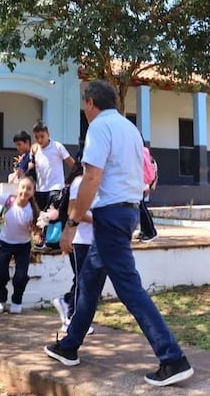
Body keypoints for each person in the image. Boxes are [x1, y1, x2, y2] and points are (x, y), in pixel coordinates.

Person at [44, 80, 193, 388]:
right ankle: (69, 346)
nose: (84, 110)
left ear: (89, 103)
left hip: (110, 214)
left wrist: (70, 226)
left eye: (84, 105)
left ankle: (172, 358)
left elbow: (92, 178)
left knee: (128, 288)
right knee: (88, 281)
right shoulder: (129, 128)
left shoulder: (98, 127)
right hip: (127, 211)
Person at [52, 152, 96, 334]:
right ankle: (70, 317)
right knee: (82, 281)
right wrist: (98, 220)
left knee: (86, 281)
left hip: (92, 240)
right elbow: (73, 210)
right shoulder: (79, 183)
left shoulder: (95, 183)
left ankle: (67, 302)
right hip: (79, 240)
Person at [0, 176, 40, 314]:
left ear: (33, 192)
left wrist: (35, 229)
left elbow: (36, 229)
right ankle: (0, 299)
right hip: (4, 242)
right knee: (0, 273)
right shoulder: (8, 199)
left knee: (21, 276)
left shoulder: (33, 210)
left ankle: (17, 301)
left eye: (29, 189)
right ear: (17, 189)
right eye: (23, 187)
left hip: (23, 245)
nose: (25, 191)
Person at [31, 121, 75, 211]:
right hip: (40, 190)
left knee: (53, 218)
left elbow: (71, 163)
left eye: (42, 136)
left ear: (48, 134)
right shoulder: (35, 149)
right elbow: (32, 167)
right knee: (41, 220)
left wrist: (73, 180)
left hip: (56, 188)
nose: (39, 140)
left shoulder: (57, 147)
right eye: (36, 137)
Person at [136, 144, 158, 242]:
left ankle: (150, 231)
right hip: (142, 182)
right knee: (140, 206)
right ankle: (146, 230)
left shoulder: (138, 151)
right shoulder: (144, 151)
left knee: (140, 207)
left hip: (138, 181)